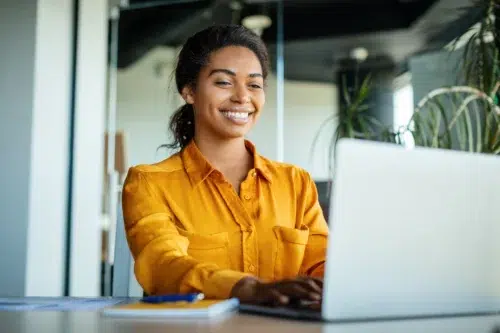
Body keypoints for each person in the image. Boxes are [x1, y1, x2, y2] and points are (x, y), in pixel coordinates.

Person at [122, 24, 329, 306]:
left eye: (254, 84)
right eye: (223, 82)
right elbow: (162, 264)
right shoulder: (149, 183)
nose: (243, 97)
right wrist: (245, 288)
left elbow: (324, 264)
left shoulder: (295, 183)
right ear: (189, 91)